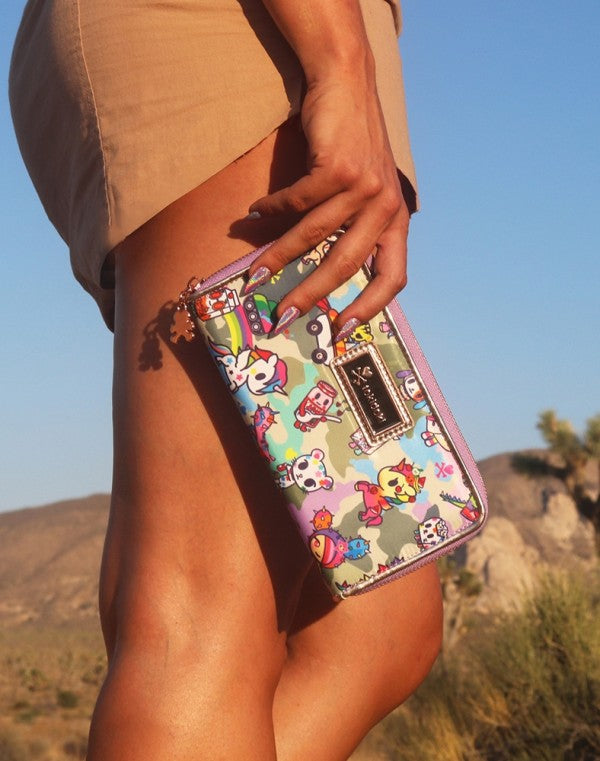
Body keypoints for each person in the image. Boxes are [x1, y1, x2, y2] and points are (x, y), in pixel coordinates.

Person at [9, 0, 442, 758]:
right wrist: (339, 62)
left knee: (382, 624)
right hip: (252, 46)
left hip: (286, 47)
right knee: (201, 622)